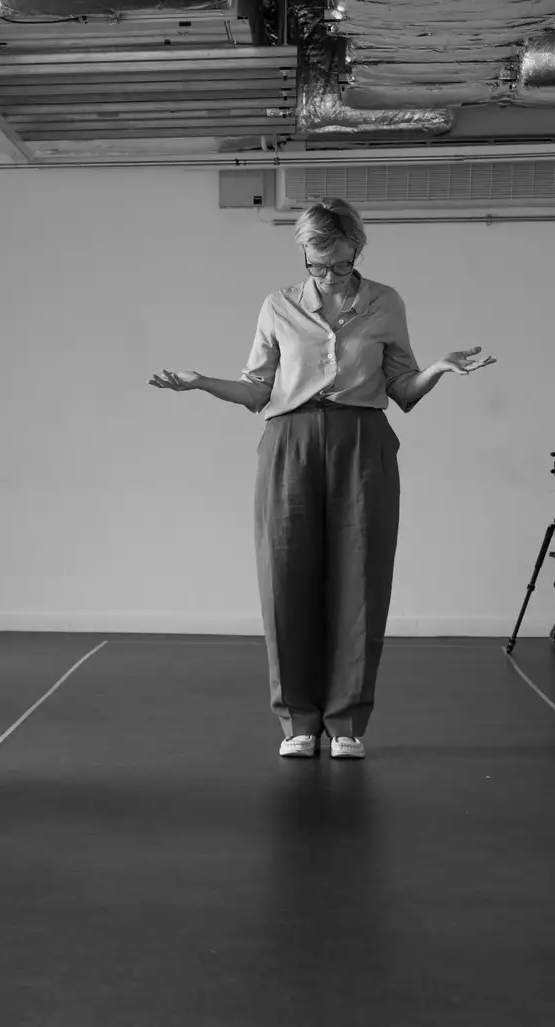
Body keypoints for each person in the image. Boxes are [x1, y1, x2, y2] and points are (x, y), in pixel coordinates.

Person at [149, 198, 488, 760]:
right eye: (315, 264)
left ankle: (348, 722)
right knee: (285, 576)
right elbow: (258, 389)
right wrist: (201, 382)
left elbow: (402, 391)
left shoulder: (385, 302)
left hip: (363, 439)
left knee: (362, 576)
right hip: (291, 441)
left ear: (356, 246)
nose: (326, 275)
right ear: (303, 254)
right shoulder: (278, 305)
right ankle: (298, 723)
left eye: (336, 264)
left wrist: (436, 369)